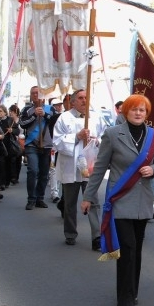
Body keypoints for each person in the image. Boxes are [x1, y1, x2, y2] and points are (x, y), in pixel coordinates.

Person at [81, 95, 154, 306]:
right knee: (126, 248)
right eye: (134, 109)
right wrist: (89, 196)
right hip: (120, 198)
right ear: (125, 112)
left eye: (142, 110)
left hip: (143, 200)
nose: (138, 113)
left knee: (136, 248)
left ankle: (132, 291)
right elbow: (99, 167)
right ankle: (125, 300)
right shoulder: (112, 134)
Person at [54, 89, 106, 248]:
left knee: (93, 201)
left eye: (86, 98)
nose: (84, 101)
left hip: (89, 166)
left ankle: (97, 236)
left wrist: (96, 141)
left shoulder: (96, 117)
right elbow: (57, 142)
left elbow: (105, 137)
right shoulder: (64, 118)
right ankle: (70, 233)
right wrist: (76, 137)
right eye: (81, 98)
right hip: (71, 166)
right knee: (70, 203)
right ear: (73, 101)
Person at [19, 85, 53, 210]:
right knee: (33, 171)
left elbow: (54, 121)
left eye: (38, 93)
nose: (36, 95)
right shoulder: (26, 109)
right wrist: (34, 116)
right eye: (33, 93)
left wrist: (44, 115)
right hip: (32, 144)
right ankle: (31, 199)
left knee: (44, 174)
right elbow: (22, 124)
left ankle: (40, 198)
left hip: (47, 144)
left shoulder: (50, 108)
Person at [46, 97, 65, 203]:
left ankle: (58, 191)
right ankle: (55, 193)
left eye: (60, 104)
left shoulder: (66, 116)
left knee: (62, 169)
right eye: (56, 105)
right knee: (53, 168)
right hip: (54, 146)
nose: (59, 106)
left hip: (65, 146)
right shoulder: (53, 117)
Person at [8, 104, 23, 185]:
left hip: (21, 141)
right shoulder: (9, 121)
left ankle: (16, 176)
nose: (10, 113)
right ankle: (13, 177)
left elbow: (22, 130)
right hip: (13, 142)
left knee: (18, 160)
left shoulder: (21, 120)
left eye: (12, 112)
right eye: (10, 112)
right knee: (13, 160)